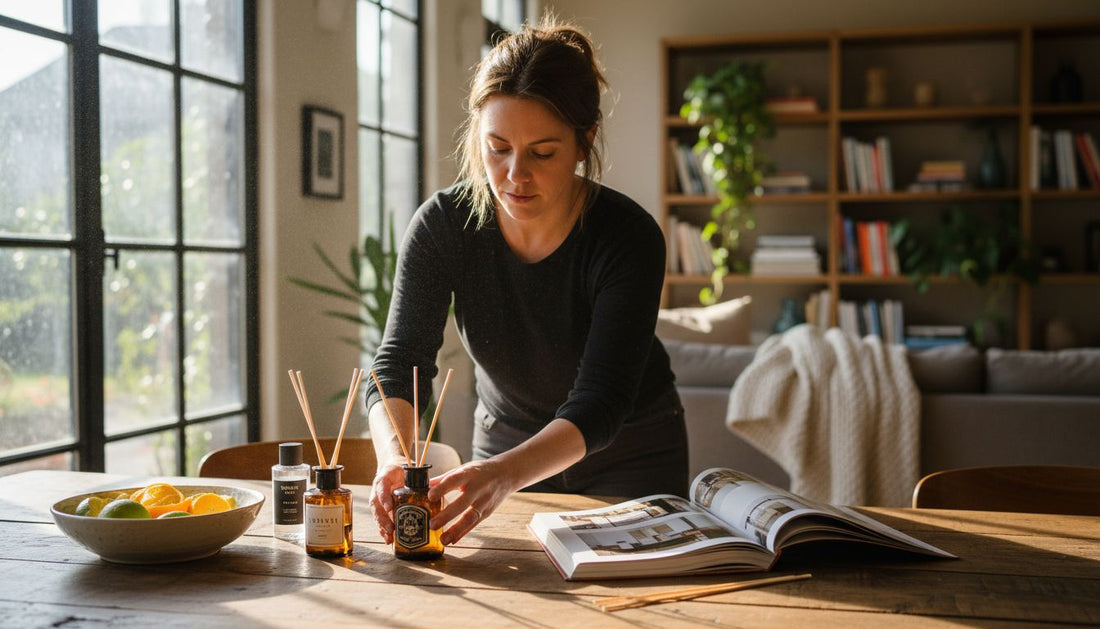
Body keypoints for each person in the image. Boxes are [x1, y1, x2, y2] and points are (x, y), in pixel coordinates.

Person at [363, 17, 687, 548]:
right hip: (504, 442)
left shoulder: (628, 237)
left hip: (629, 451)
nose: (515, 174)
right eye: (497, 147)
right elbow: (399, 364)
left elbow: (600, 404)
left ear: (585, 141)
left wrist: (506, 475)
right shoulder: (443, 226)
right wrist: (395, 458)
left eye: (542, 152)